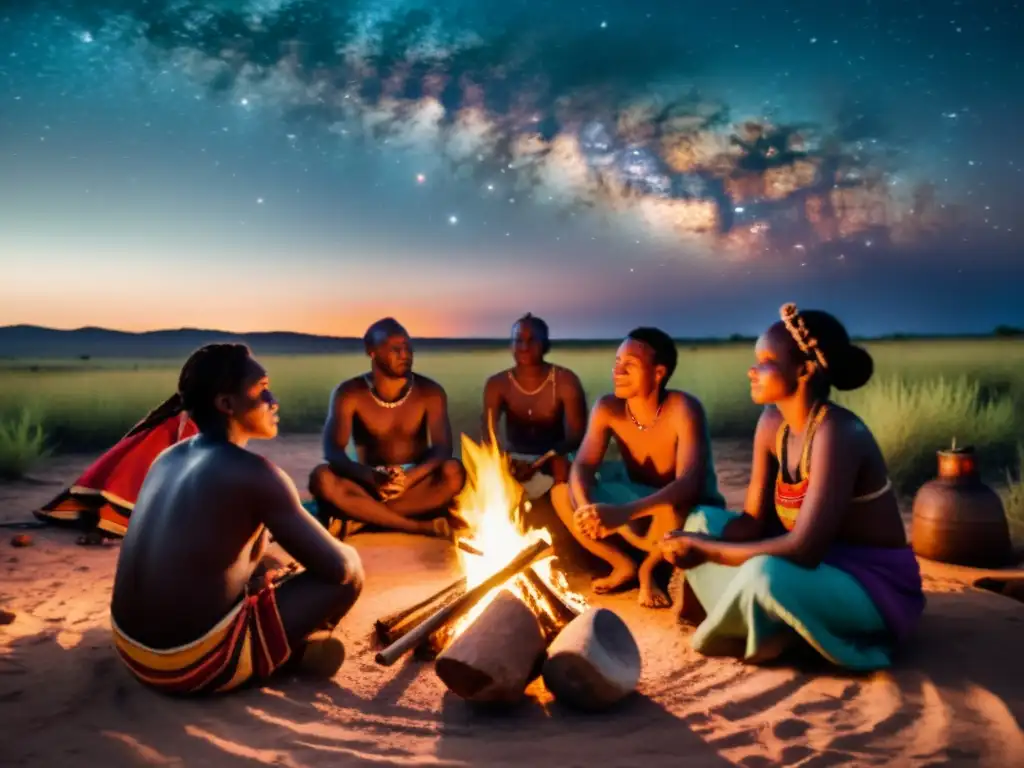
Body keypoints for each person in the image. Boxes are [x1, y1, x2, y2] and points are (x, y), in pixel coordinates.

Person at [659, 303, 925, 670]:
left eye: (765, 360)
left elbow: (804, 549)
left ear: (804, 369)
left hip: (866, 585)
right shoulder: (772, 424)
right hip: (805, 574)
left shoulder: (839, 432)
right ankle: (775, 627)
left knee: (764, 573)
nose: (752, 371)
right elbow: (753, 521)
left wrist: (705, 550)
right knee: (701, 520)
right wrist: (693, 538)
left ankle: (770, 630)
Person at [110, 344, 364, 695]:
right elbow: (338, 569)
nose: (273, 399)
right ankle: (292, 653)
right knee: (350, 573)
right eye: (261, 389)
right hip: (189, 666)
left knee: (267, 560)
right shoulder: (256, 474)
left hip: (128, 648)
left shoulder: (167, 457)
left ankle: (286, 645)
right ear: (226, 404)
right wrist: (345, 550)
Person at [551, 327, 726, 608]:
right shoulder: (608, 408)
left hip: (678, 515)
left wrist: (621, 513)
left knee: (675, 503)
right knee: (561, 493)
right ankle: (621, 564)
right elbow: (583, 465)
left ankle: (648, 571)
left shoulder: (683, 408)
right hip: (638, 510)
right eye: (617, 363)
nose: (618, 371)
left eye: (629, 365)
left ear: (658, 373)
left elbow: (689, 484)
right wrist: (588, 511)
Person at [309, 318, 466, 539]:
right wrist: (371, 477)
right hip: (368, 486)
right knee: (322, 477)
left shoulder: (430, 391)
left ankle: (361, 519)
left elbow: (442, 448)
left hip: (414, 485)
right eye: (395, 349)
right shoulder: (350, 393)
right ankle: (416, 526)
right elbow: (333, 451)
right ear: (371, 351)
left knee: (453, 472)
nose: (405, 354)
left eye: (408, 347)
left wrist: (409, 478)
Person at [35, 397, 198, 537]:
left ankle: (101, 513)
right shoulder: (181, 425)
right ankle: (108, 516)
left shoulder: (170, 421)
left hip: (174, 427)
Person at [481, 313, 588, 501]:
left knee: (563, 470)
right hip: (514, 459)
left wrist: (541, 462)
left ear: (546, 345)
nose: (524, 347)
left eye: (532, 340)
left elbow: (577, 435)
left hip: (554, 458)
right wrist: (504, 461)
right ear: (511, 345)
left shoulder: (565, 381)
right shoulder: (497, 384)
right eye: (518, 340)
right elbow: (488, 434)